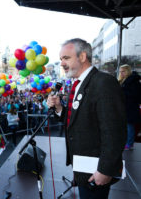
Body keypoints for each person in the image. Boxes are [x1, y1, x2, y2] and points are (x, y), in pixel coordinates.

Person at [47, 38, 126, 199]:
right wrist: (59, 108)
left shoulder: (104, 83)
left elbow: (114, 132)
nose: (61, 63)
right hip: (82, 166)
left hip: (96, 170)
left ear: (82, 57)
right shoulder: (77, 84)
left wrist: (105, 169)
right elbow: (76, 120)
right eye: (61, 59)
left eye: (66, 58)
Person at [118, 64, 141, 150]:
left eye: (123, 71)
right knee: (125, 127)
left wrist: (123, 93)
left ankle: (129, 144)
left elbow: (136, 95)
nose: (121, 73)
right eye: (120, 71)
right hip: (123, 107)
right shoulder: (122, 80)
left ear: (127, 71)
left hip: (130, 108)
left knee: (129, 127)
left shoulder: (133, 81)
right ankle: (126, 142)